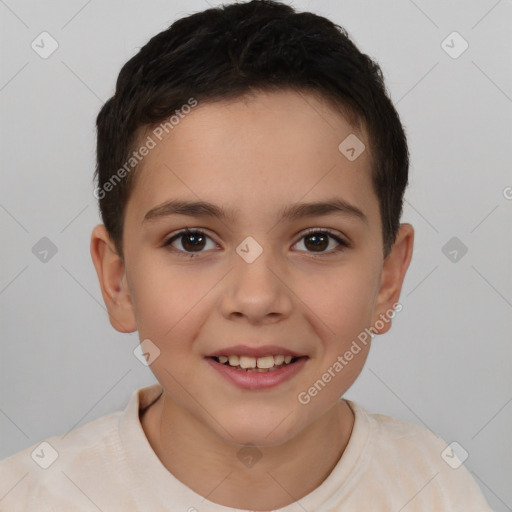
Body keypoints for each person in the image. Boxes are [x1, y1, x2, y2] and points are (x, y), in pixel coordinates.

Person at [0, 1, 493, 510]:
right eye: (193, 240)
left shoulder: (436, 488)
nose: (256, 299)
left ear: (388, 279)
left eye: (318, 241)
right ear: (118, 279)